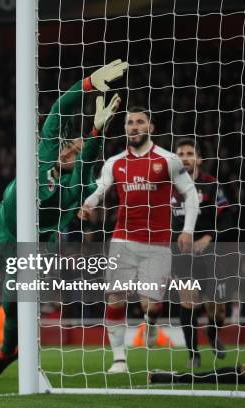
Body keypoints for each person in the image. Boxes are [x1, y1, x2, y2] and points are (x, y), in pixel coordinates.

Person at [0, 59, 128, 379]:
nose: (70, 149)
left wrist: (95, 133)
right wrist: (89, 83)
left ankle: (5, 352)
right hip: (3, 221)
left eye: (77, 149)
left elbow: (89, 158)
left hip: (33, 246)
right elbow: (57, 111)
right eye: (69, 144)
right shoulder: (46, 151)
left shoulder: (77, 187)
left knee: (11, 306)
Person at [78, 107, 200, 374]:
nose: (134, 127)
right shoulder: (115, 162)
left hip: (158, 244)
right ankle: (119, 359)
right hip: (123, 240)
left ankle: (152, 322)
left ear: (150, 127)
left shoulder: (168, 160)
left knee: (152, 305)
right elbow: (100, 188)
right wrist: (88, 204)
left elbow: (190, 195)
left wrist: (188, 230)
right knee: (115, 296)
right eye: (129, 123)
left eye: (139, 122)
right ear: (125, 128)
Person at [171, 138, 232, 368]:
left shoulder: (212, 184)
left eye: (190, 153)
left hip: (210, 252)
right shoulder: (168, 186)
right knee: (188, 301)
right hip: (181, 253)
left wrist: (209, 237)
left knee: (218, 308)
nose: (185, 157)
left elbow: (227, 217)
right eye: (181, 153)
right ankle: (193, 354)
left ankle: (213, 333)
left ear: (199, 159)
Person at [149, 364, 245, 385]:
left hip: (238, 374)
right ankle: (166, 375)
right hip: (238, 373)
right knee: (202, 377)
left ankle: (161, 376)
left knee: (202, 377)